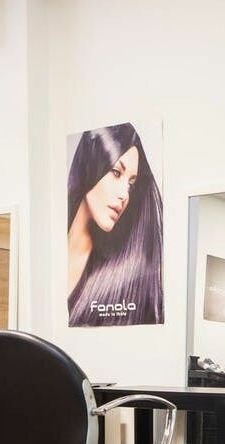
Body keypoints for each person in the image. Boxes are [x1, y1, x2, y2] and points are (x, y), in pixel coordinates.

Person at [66, 122, 163, 326]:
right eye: (117, 173)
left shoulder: (119, 276)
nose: (124, 195)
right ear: (91, 164)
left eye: (131, 183)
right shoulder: (50, 254)